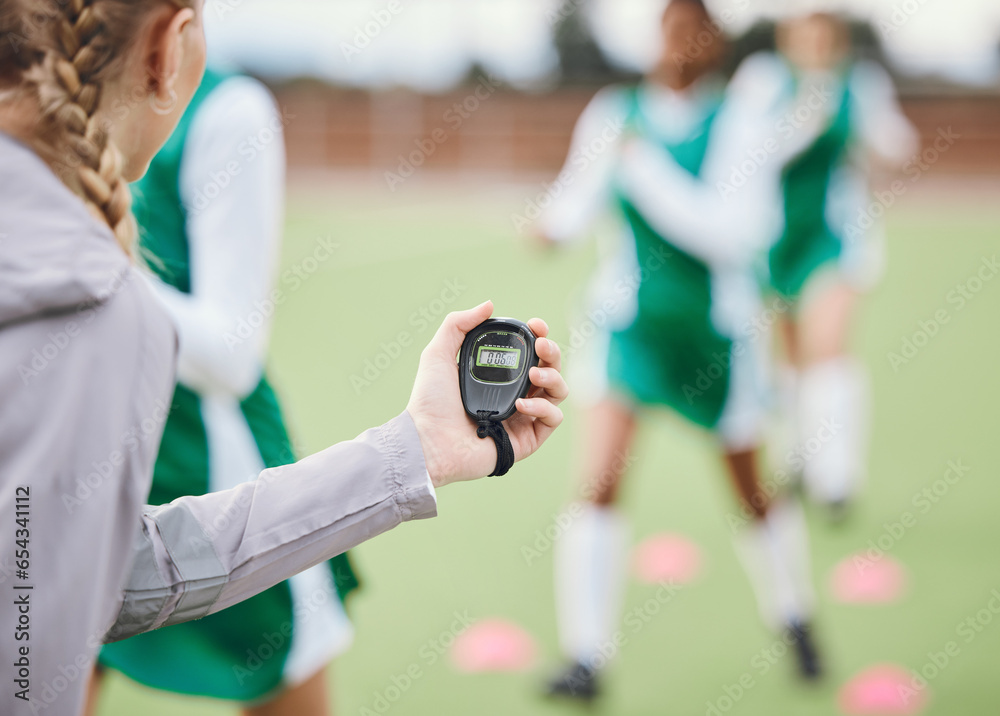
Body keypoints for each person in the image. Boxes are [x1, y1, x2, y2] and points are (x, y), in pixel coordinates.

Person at [0, 2, 567, 714]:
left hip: (177, 477)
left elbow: (80, 574)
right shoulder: (99, 308)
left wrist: (416, 449)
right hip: (189, 467)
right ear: (168, 46)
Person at [535, 0, 823, 701]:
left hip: (718, 338)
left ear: (714, 41)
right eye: (669, 25)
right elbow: (576, 197)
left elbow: (734, 233)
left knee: (752, 492)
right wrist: (550, 226)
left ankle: (796, 618)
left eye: (695, 28)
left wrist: (644, 172)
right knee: (598, 482)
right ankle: (585, 659)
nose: (679, 41)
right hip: (630, 330)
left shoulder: (741, 121)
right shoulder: (614, 113)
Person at [85, 67, 358, 715]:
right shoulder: (26, 102)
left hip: (206, 469)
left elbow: (230, 354)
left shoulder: (225, 110)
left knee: (280, 675)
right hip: (64, 479)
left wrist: (75, 264)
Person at [747, 13, 918, 517]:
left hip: (836, 240)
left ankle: (836, 477)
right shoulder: (762, 80)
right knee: (790, 356)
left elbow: (897, 145)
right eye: (805, 37)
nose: (815, 47)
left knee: (828, 345)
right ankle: (796, 457)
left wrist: (879, 136)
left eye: (824, 38)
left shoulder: (861, 83)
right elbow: (749, 154)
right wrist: (803, 123)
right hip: (773, 241)